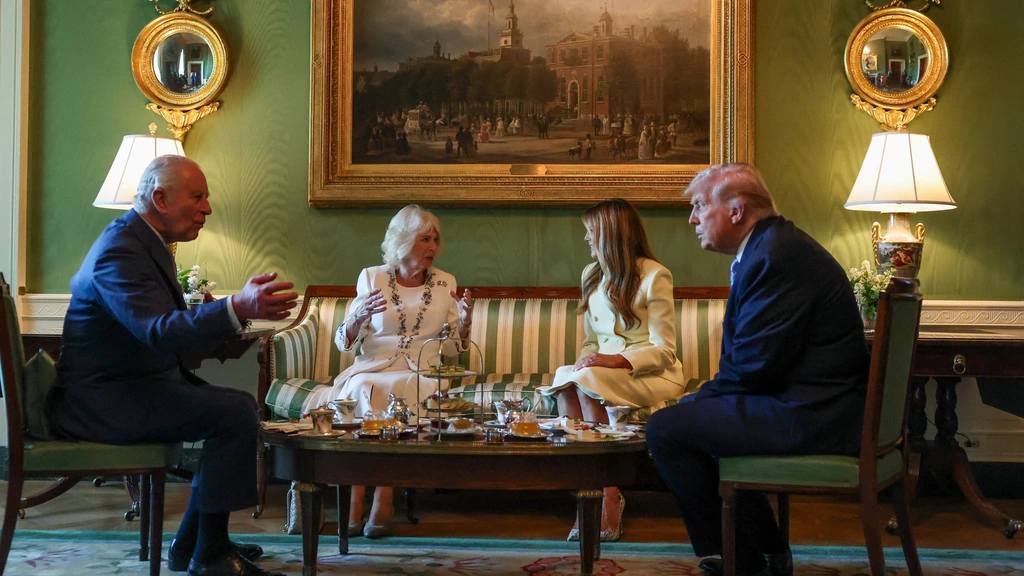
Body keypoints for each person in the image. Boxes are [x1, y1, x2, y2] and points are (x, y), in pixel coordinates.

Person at [53, 155, 298, 576]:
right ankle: (210, 554)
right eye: (197, 197)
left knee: (236, 408)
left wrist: (231, 313)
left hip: (129, 388)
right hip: (102, 402)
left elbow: (161, 328)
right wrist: (236, 307)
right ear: (161, 199)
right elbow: (158, 330)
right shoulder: (120, 250)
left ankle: (192, 545)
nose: (208, 208)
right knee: (234, 412)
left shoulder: (142, 241)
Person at [645, 163, 870, 576]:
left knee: (666, 429)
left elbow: (752, 366)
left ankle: (742, 560)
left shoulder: (774, 256)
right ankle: (763, 550)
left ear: (736, 210)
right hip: (812, 403)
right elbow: (759, 362)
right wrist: (701, 403)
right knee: (694, 420)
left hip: (813, 414)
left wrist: (696, 401)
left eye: (699, 206)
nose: (693, 219)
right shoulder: (774, 246)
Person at [301, 205, 473, 539]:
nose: (433, 247)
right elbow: (345, 343)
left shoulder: (445, 282)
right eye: (425, 239)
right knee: (362, 386)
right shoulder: (372, 277)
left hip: (421, 369)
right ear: (404, 241)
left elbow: (453, 349)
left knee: (409, 386)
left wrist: (465, 324)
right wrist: (356, 317)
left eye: (435, 239)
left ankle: (384, 493)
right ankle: (356, 494)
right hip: (373, 366)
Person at [542, 198, 686, 542]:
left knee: (587, 380)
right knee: (568, 379)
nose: (586, 238)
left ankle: (606, 496)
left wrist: (615, 361)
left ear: (611, 234)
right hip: (602, 374)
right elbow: (591, 343)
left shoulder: (655, 275)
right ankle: (591, 488)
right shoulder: (591, 275)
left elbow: (665, 350)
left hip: (651, 375)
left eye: (591, 231)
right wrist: (584, 364)